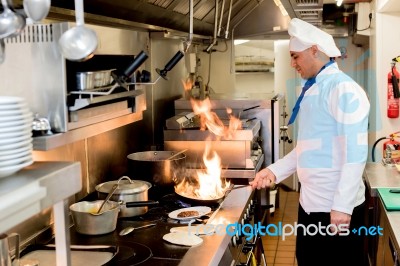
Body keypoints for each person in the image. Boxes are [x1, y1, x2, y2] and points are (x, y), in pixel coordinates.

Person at [250, 18, 370, 266]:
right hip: (311, 205)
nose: (292, 63)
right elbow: (307, 149)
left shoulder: (343, 89)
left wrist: (342, 207)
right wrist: (274, 170)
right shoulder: (313, 89)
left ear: (314, 50)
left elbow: (356, 153)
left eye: (295, 56)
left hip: (334, 211)